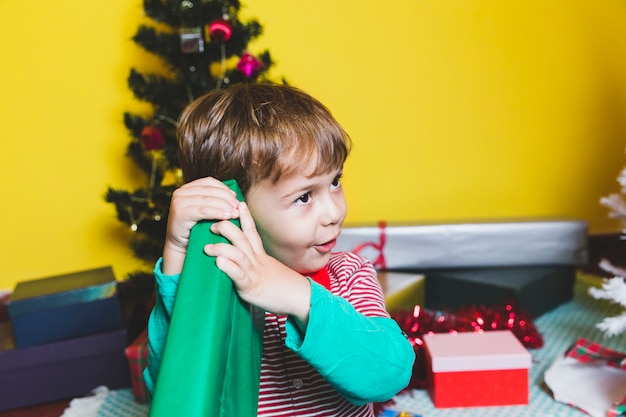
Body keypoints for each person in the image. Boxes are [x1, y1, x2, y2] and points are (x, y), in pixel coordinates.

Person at [144, 83, 415, 416]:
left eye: (335, 182)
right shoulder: (220, 291)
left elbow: (389, 374)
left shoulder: (348, 274)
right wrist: (176, 255)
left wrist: (299, 297)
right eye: (304, 197)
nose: (333, 213)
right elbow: (175, 395)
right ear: (236, 206)